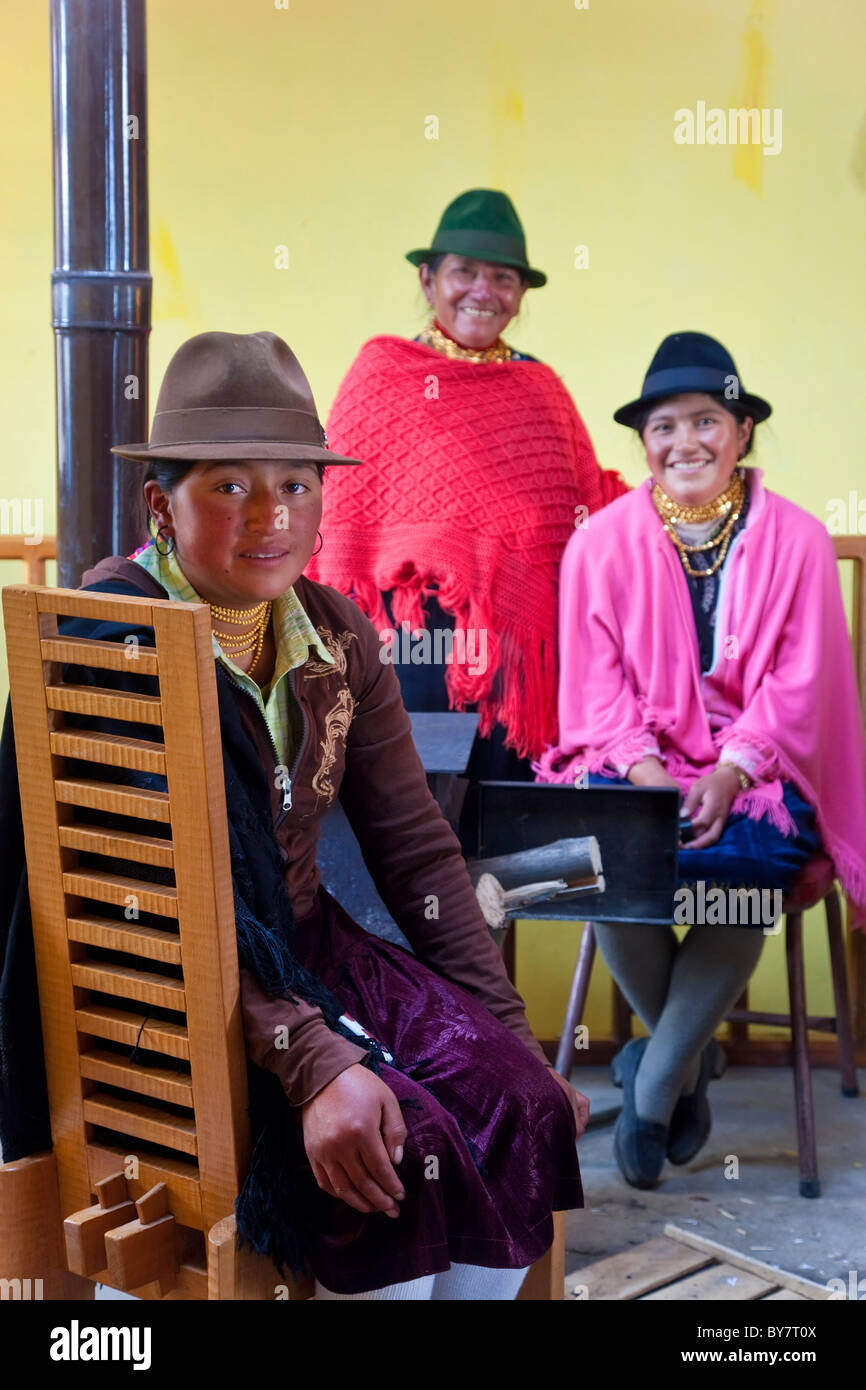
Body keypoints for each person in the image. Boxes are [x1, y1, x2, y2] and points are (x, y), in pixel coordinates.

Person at [0, 330, 587, 1300]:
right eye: (230, 486)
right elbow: (170, 903)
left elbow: (417, 855)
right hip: (165, 994)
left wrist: (510, 1035)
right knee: (393, 1143)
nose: (272, 515)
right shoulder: (112, 641)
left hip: (305, 954)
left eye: (297, 483)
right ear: (161, 504)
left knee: (519, 1104)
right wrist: (314, 1062)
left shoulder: (335, 635)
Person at [534, 331, 866, 1189]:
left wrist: (732, 772)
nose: (686, 443)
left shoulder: (795, 539)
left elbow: (803, 684)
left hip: (757, 772)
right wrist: (651, 781)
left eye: (707, 421)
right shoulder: (599, 545)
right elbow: (596, 695)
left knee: (746, 872)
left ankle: (652, 1085)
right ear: (642, 443)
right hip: (636, 763)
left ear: (742, 431)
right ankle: (685, 1062)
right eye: (664, 427)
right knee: (609, 861)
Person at [306, 189, 627, 847]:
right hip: (404, 655)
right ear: (428, 279)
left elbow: (588, 506)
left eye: (502, 278)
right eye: (464, 272)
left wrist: (684, 502)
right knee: (405, 849)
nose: (483, 291)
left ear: (519, 294)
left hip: (512, 668)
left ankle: (481, 952)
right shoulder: (381, 373)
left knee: (495, 860)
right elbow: (335, 520)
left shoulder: (541, 390)